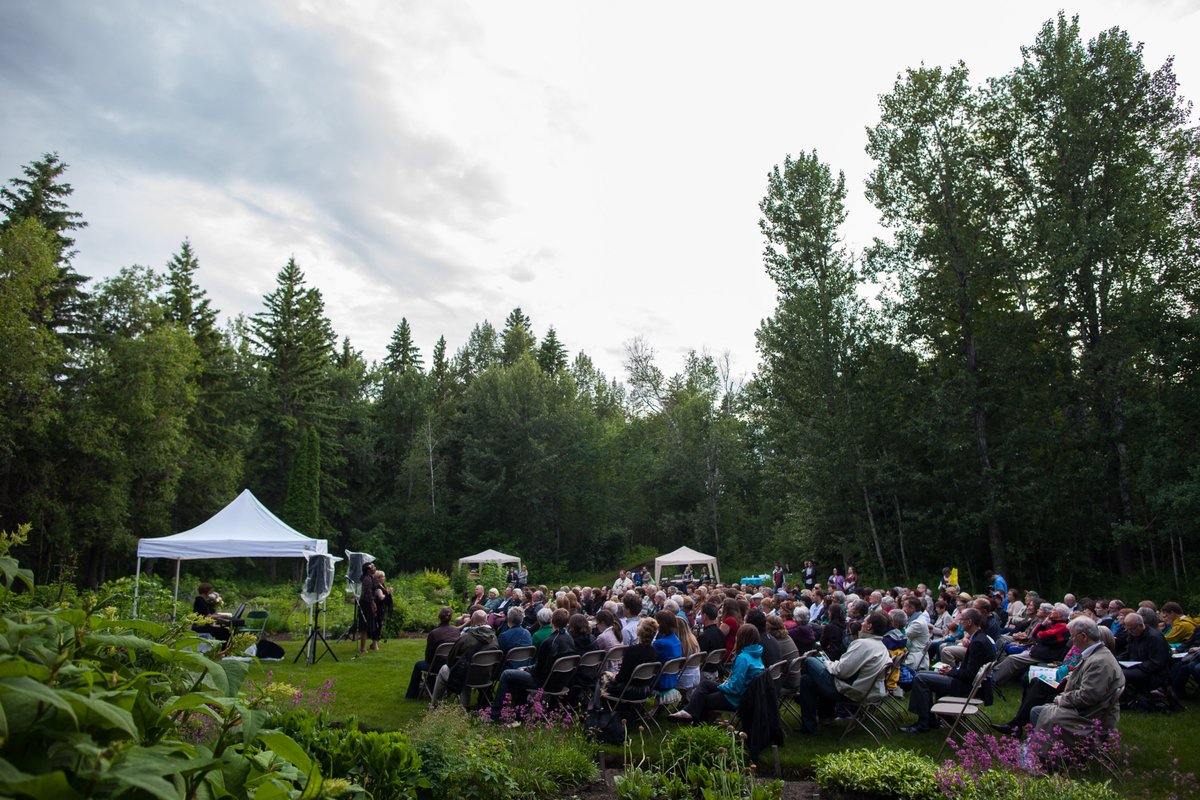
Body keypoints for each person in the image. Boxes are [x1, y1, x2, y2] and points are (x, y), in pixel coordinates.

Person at [1031, 617, 1124, 747]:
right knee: (1041, 707)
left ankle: (1046, 756)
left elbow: (1088, 696)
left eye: (1073, 636)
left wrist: (1062, 699)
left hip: (1089, 716)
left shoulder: (1099, 661)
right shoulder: (1096, 654)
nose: (1071, 640)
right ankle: (1041, 750)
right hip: (1089, 710)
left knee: (1038, 712)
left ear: (1084, 636)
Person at [901, 608, 995, 733]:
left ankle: (923, 723)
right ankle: (930, 720)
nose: (959, 623)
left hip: (968, 687)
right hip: (970, 684)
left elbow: (970, 675)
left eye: (961, 620)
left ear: (969, 622)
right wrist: (951, 669)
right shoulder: (980, 637)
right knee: (920, 674)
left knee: (920, 678)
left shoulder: (978, 642)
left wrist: (950, 672)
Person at [796, 612, 891, 734]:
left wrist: (826, 663)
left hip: (852, 691)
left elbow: (840, 671)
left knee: (809, 660)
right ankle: (820, 720)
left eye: (864, 622)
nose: (861, 624)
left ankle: (808, 712)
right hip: (866, 689)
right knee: (806, 680)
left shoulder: (864, 644)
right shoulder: (880, 645)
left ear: (869, 627)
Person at [490, 608, 576, 720]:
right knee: (519, 675)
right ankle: (520, 712)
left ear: (552, 622)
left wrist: (526, 669)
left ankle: (495, 714)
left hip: (545, 682)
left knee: (507, 674)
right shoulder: (569, 639)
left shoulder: (550, 642)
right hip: (562, 681)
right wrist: (528, 668)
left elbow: (539, 670)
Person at [669, 624, 765, 722]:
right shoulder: (756, 656)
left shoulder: (743, 658)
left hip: (735, 699)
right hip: (745, 695)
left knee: (704, 699)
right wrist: (725, 684)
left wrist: (721, 687)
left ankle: (696, 725)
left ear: (741, 638)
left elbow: (735, 688)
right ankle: (688, 712)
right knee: (705, 684)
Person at [431, 610, 498, 707]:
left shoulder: (465, 637)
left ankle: (434, 705)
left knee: (445, 669)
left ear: (472, 621)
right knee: (468, 668)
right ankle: (464, 706)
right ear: (486, 621)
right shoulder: (494, 638)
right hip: (486, 677)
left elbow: (450, 660)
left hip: (467, 677)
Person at [405, 606, 461, 699]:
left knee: (418, 665)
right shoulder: (456, 631)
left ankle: (411, 695)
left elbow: (429, 657)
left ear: (439, 617)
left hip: (436, 666)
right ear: (451, 618)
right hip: (451, 665)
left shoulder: (434, 633)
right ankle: (434, 686)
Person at [1118, 611, 1171, 699]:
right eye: (1128, 629)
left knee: (1120, 673)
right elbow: (1128, 652)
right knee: (1113, 668)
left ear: (1140, 625)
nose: (1130, 632)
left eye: (1132, 629)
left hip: (1154, 673)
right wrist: (1115, 660)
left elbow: (1157, 663)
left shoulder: (1154, 638)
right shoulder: (1133, 635)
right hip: (1139, 666)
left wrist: (1136, 665)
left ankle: (1123, 697)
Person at [356, 564, 385, 656]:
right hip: (366, 604)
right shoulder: (367, 579)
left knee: (367, 625)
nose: (375, 568)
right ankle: (362, 648)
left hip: (367, 603)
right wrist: (373, 603)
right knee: (364, 626)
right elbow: (368, 593)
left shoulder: (370, 577)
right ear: (368, 570)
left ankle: (364, 647)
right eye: (372, 567)